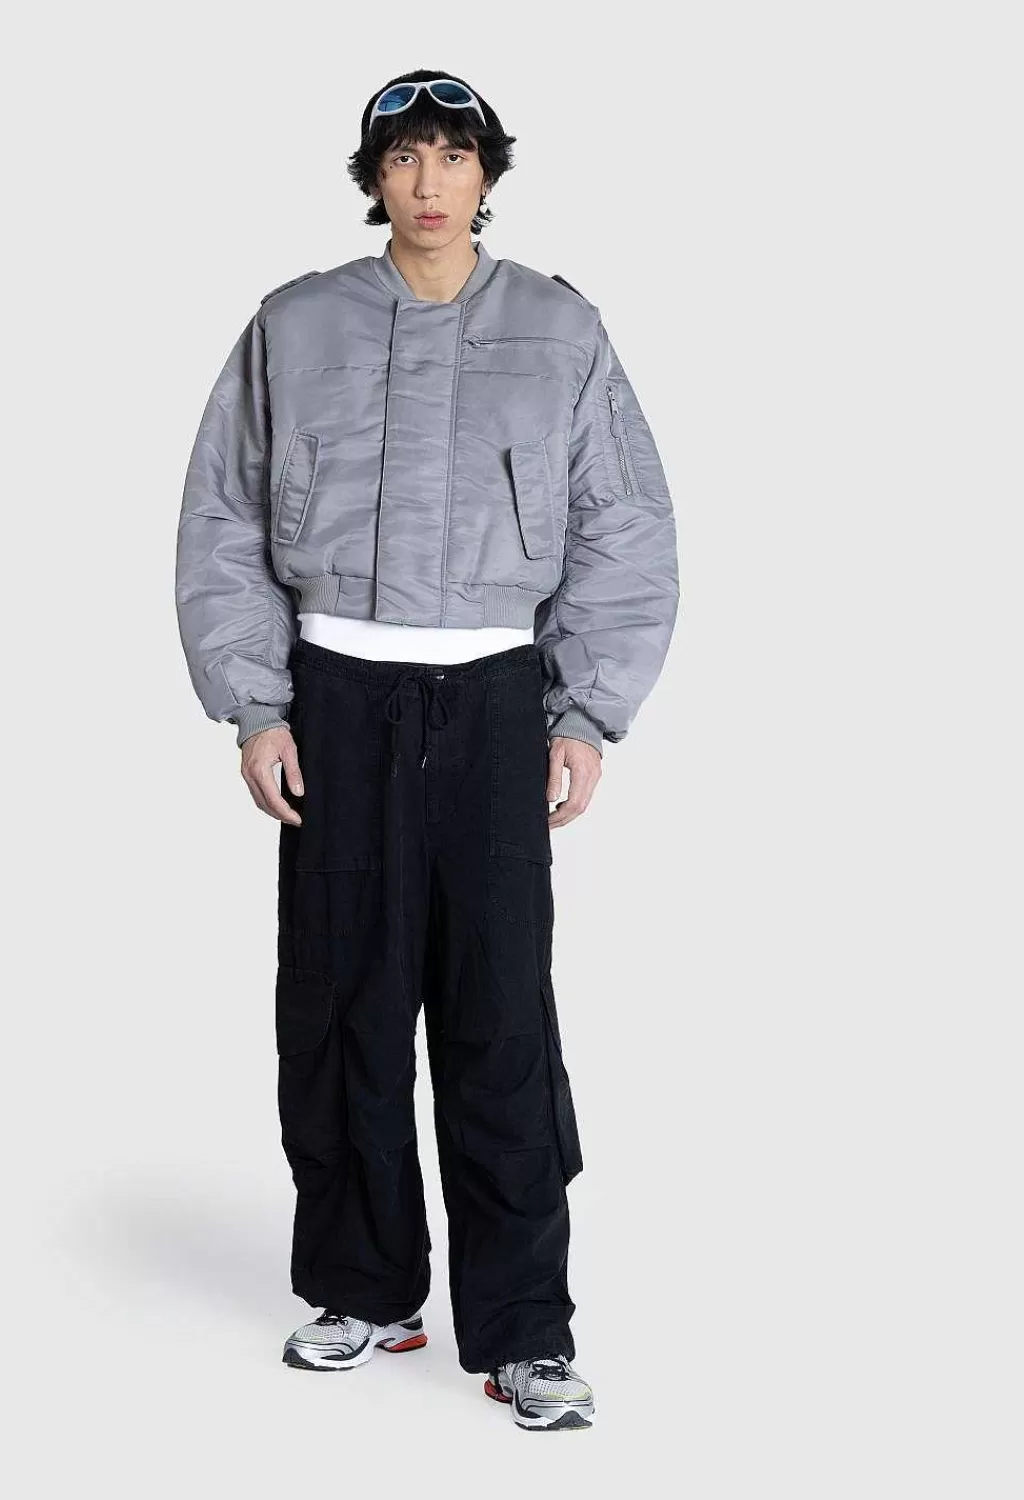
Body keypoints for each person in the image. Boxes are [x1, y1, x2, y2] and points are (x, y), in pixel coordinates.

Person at [174, 68, 680, 1432]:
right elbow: (223, 520)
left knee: (500, 1017)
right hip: (335, 699)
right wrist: (257, 706)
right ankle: (365, 1288)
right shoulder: (295, 324)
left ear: (487, 175)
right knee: (341, 1004)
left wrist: (584, 714)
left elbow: (624, 526)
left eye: (455, 156)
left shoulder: (561, 329)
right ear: (374, 178)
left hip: (496, 703)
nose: (430, 182)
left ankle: (525, 1330)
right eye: (405, 158)